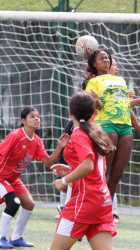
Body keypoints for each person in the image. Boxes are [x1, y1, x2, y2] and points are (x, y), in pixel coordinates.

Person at [83, 49, 140, 219]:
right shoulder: (93, 82)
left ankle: (104, 209)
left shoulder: (120, 80)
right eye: (102, 58)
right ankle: (87, 207)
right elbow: (98, 107)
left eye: (108, 57)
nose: (106, 59)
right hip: (106, 124)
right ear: (94, 63)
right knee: (103, 171)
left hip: (125, 127)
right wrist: (96, 101)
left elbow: (125, 106)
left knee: (117, 173)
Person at [0, 106, 69, 249]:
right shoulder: (16, 135)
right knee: (14, 202)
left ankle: (16, 238)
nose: (37, 119)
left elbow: (48, 162)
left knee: (29, 204)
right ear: (23, 121)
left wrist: (59, 147)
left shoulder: (36, 140)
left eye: (38, 116)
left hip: (12, 179)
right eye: (32, 116)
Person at [50, 91, 116, 250]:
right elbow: (95, 166)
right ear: (93, 111)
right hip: (103, 201)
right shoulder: (95, 130)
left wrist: (64, 181)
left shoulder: (79, 133)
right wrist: (70, 169)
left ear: (69, 112)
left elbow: (88, 166)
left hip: (84, 202)